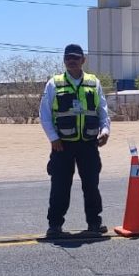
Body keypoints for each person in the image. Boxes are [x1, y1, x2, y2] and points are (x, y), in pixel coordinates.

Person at [39, 44, 111, 238]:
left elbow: (102, 111)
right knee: (60, 186)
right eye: (68, 57)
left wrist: (105, 131)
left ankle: (94, 224)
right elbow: (44, 114)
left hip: (88, 143)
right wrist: (53, 138)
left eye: (75, 57)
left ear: (83, 60)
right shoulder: (54, 84)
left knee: (91, 185)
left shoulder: (93, 83)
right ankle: (54, 226)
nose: (71, 60)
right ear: (64, 60)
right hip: (62, 144)